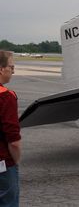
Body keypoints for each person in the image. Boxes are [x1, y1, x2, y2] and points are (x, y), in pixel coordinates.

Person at [0, 51, 21, 206]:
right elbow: (13, 140)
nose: (13, 71)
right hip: (3, 163)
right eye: (11, 67)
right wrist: (16, 160)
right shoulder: (7, 96)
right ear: (1, 69)